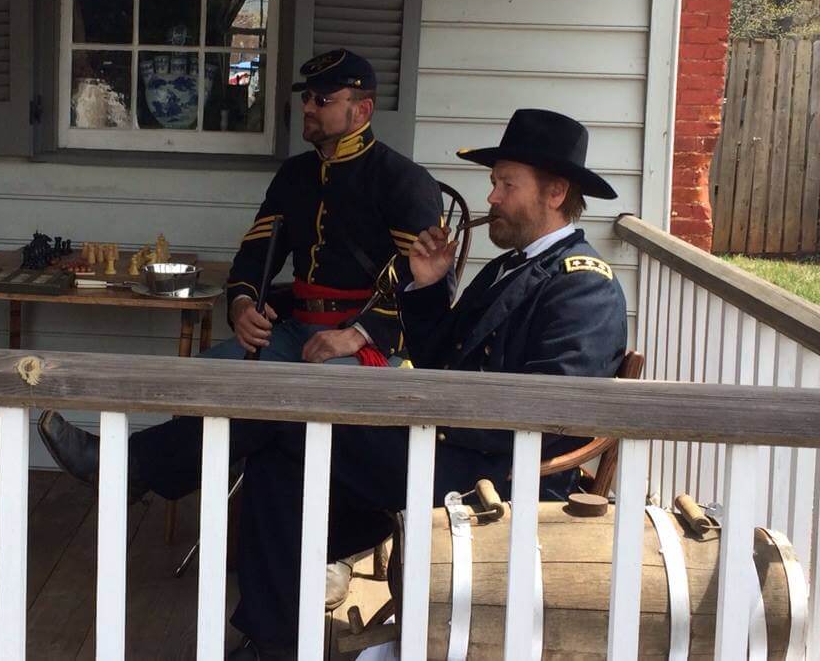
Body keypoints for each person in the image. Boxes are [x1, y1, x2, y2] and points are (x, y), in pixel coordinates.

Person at [41, 105, 626, 658]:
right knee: (277, 464)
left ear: (555, 192)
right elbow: (440, 357)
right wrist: (426, 286)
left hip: (492, 477)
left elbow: (556, 413)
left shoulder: (583, 285)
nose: (491, 197)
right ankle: (274, 644)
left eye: (506, 184)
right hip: (443, 447)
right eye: (494, 183)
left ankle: (133, 467)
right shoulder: (509, 267)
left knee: (287, 410)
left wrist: (428, 419)